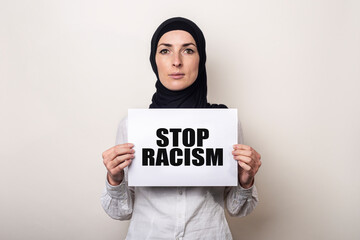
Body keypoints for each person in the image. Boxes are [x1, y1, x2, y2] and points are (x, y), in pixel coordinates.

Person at [101, 17, 262, 240]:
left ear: (200, 59)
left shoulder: (223, 123)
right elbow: (120, 212)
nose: (176, 61)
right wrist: (114, 178)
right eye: (165, 51)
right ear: (154, 60)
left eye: (188, 51)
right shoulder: (132, 126)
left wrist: (245, 181)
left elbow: (238, 209)